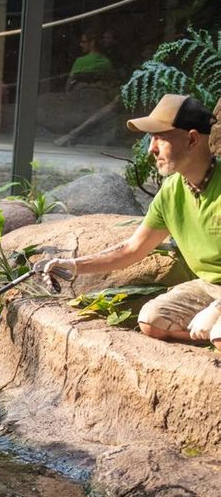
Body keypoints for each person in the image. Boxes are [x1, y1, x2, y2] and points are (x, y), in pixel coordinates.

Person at [43, 93, 221, 350]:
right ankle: (210, 335)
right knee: (152, 321)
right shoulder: (172, 190)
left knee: (219, 336)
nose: (151, 148)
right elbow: (131, 249)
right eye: (151, 138)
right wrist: (72, 265)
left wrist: (217, 309)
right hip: (208, 286)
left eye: (160, 136)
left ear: (192, 139)